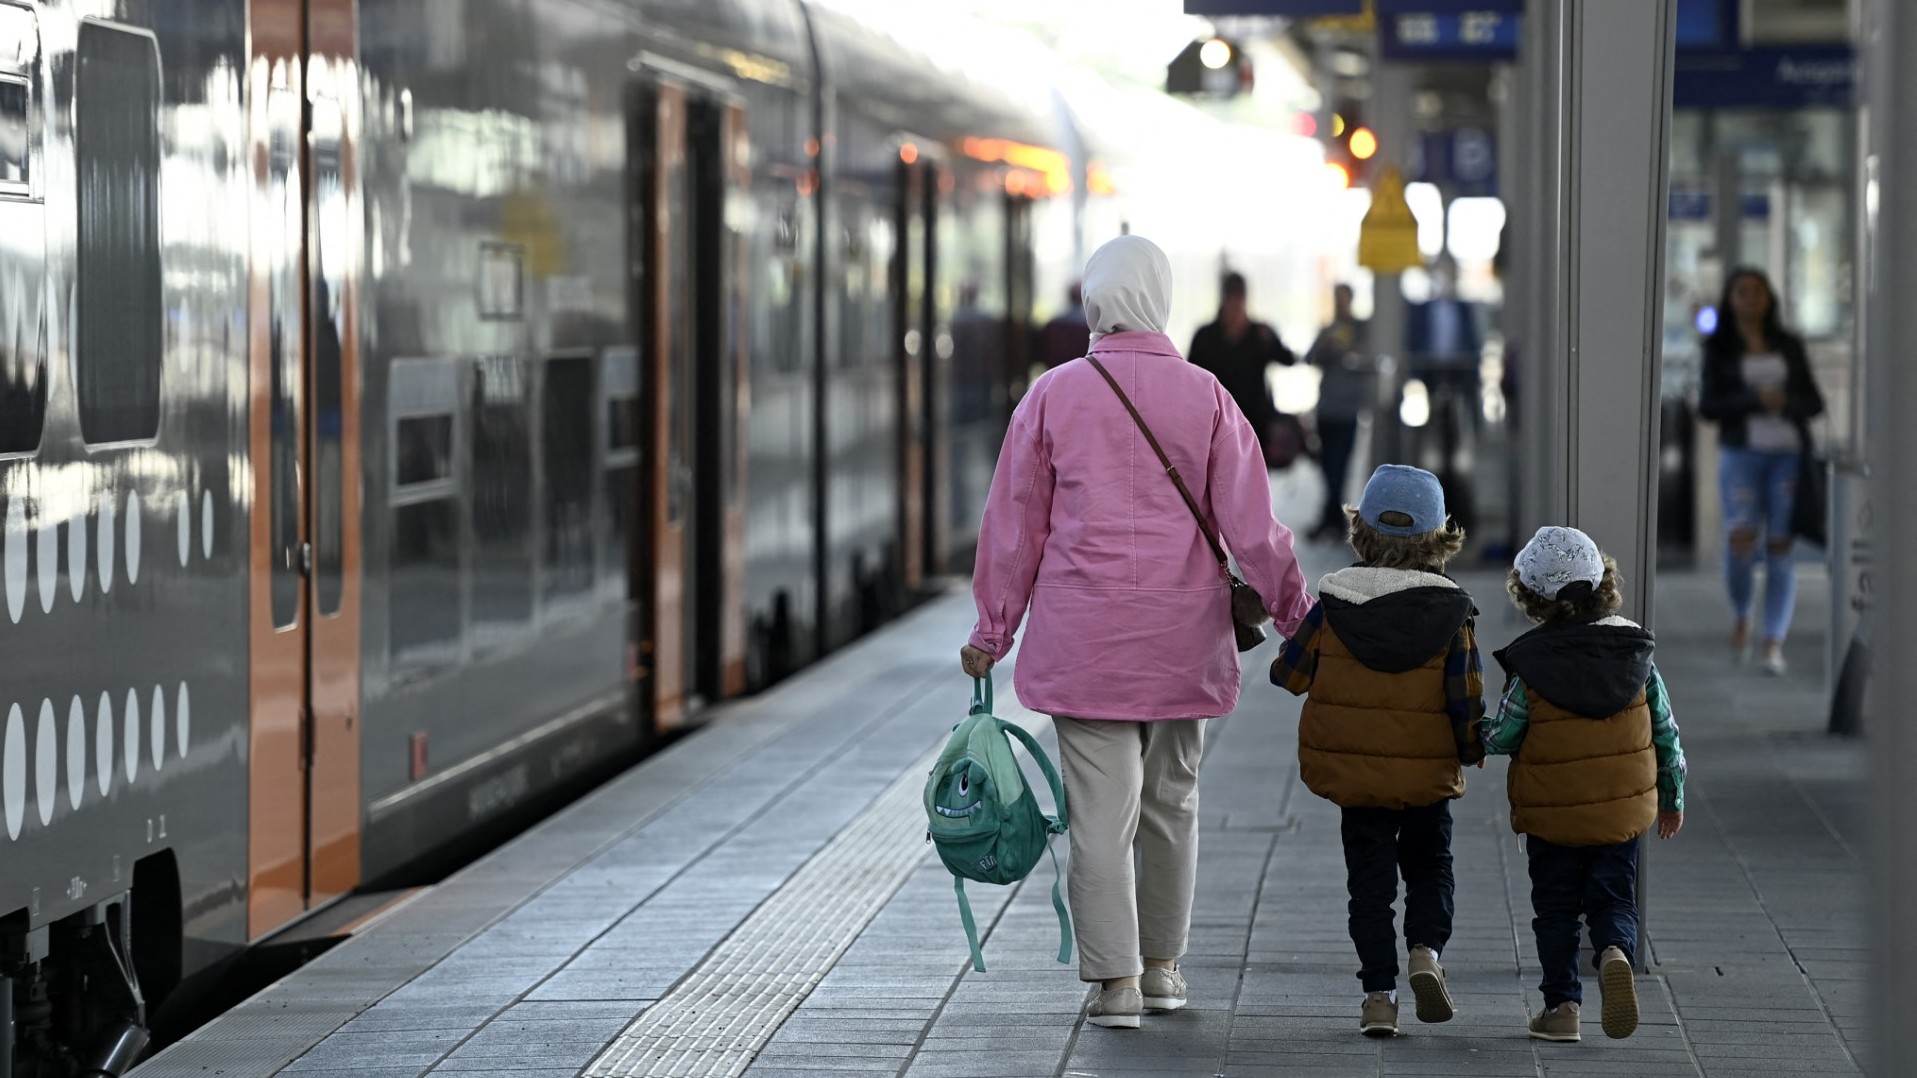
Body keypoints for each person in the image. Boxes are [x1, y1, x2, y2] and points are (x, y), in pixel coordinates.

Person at [960, 236, 1313, 1030]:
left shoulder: (1051, 397)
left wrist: (992, 629)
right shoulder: (1207, 396)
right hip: (1181, 642)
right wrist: (1296, 618)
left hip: (1083, 645)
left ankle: (1112, 984)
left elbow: (1013, 527)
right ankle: (1161, 970)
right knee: (1172, 803)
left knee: (1098, 815)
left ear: (1094, 300)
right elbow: (1255, 531)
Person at [1270, 464, 1484, 1038]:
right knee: (1431, 867)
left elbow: (1288, 675)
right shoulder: (1453, 612)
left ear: (1361, 532)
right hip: (1426, 779)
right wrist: (1469, 751)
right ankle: (1425, 953)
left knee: (1369, 884)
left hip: (1357, 777)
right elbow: (1466, 698)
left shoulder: (1335, 605)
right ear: (1440, 537)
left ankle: (1378, 998)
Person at [1481, 526, 1687, 1043]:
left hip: (1552, 815)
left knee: (1555, 911)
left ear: (1531, 597)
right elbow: (1666, 732)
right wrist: (1672, 796)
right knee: (1614, 897)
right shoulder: (1636, 656)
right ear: (1602, 583)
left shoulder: (1531, 663)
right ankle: (1615, 949)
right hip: (1621, 813)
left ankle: (1562, 1008)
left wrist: (1470, 741)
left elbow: (1504, 734)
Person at [1696, 266, 1825, 676]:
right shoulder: (1719, 349)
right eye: (1742, 292)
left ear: (1769, 297)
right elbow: (1709, 406)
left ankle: (1773, 640)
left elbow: (1814, 402)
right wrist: (1753, 399)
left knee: (1781, 547)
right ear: (1731, 299)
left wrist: (1783, 402)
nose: (1750, 299)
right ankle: (1741, 613)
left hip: (1788, 454)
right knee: (1740, 541)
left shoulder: (1787, 344)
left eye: (1757, 291)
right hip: (1742, 455)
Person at [1188, 271, 1294, 451]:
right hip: (1217, 422)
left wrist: (1269, 339)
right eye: (1232, 297)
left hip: (1255, 422)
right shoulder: (1206, 336)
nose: (1235, 305)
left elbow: (1287, 359)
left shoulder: (1260, 333)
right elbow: (1192, 378)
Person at [1305, 284, 1373, 540]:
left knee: (1340, 467)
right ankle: (1332, 519)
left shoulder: (1361, 330)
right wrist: (1326, 343)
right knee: (1326, 467)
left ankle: (1330, 518)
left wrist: (1347, 351)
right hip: (1326, 409)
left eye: (1344, 300)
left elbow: (1367, 361)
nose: (1340, 305)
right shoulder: (1328, 329)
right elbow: (1309, 359)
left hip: (1348, 410)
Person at [1038, 282, 1092, 369]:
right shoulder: (1088, 327)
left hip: (1055, 370)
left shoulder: (1053, 324)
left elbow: (1044, 352)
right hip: (1079, 371)